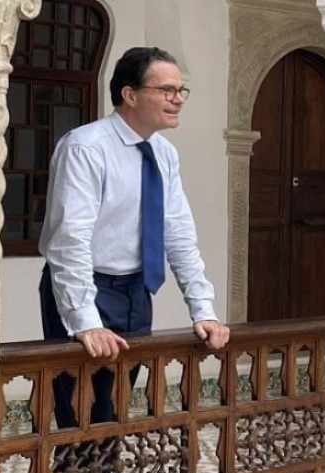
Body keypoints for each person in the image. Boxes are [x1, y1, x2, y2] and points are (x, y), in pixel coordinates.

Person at [38, 47, 230, 433]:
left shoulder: (164, 153)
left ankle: (102, 466)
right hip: (85, 286)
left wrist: (203, 309)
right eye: (166, 90)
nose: (178, 99)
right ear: (130, 94)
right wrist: (85, 319)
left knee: (116, 411)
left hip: (136, 291)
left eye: (181, 90)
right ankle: (78, 467)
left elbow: (178, 233)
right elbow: (70, 239)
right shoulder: (85, 147)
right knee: (81, 417)